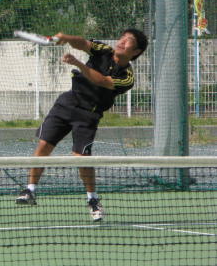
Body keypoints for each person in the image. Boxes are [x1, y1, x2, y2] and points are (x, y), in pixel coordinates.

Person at [15, 29, 148, 222]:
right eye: (122, 37)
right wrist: (66, 38)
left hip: (88, 114)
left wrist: (78, 64)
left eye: (129, 40)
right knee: (44, 145)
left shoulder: (127, 77)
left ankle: (93, 199)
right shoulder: (104, 50)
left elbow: (102, 81)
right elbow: (83, 43)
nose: (122, 41)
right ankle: (29, 190)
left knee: (81, 157)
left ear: (136, 51)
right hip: (67, 103)